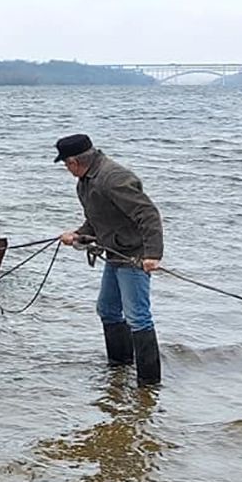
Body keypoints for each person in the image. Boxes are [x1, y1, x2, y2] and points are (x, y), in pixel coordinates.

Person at [56, 134, 164, 386]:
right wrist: (79, 234)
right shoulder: (86, 180)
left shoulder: (113, 178)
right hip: (114, 253)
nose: (65, 169)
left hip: (133, 256)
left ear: (74, 161)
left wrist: (152, 255)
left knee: (138, 317)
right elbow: (98, 219)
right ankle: (120, 367)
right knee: (107, 310)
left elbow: (148, 214)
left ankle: (149, 384)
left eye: (65, 164)